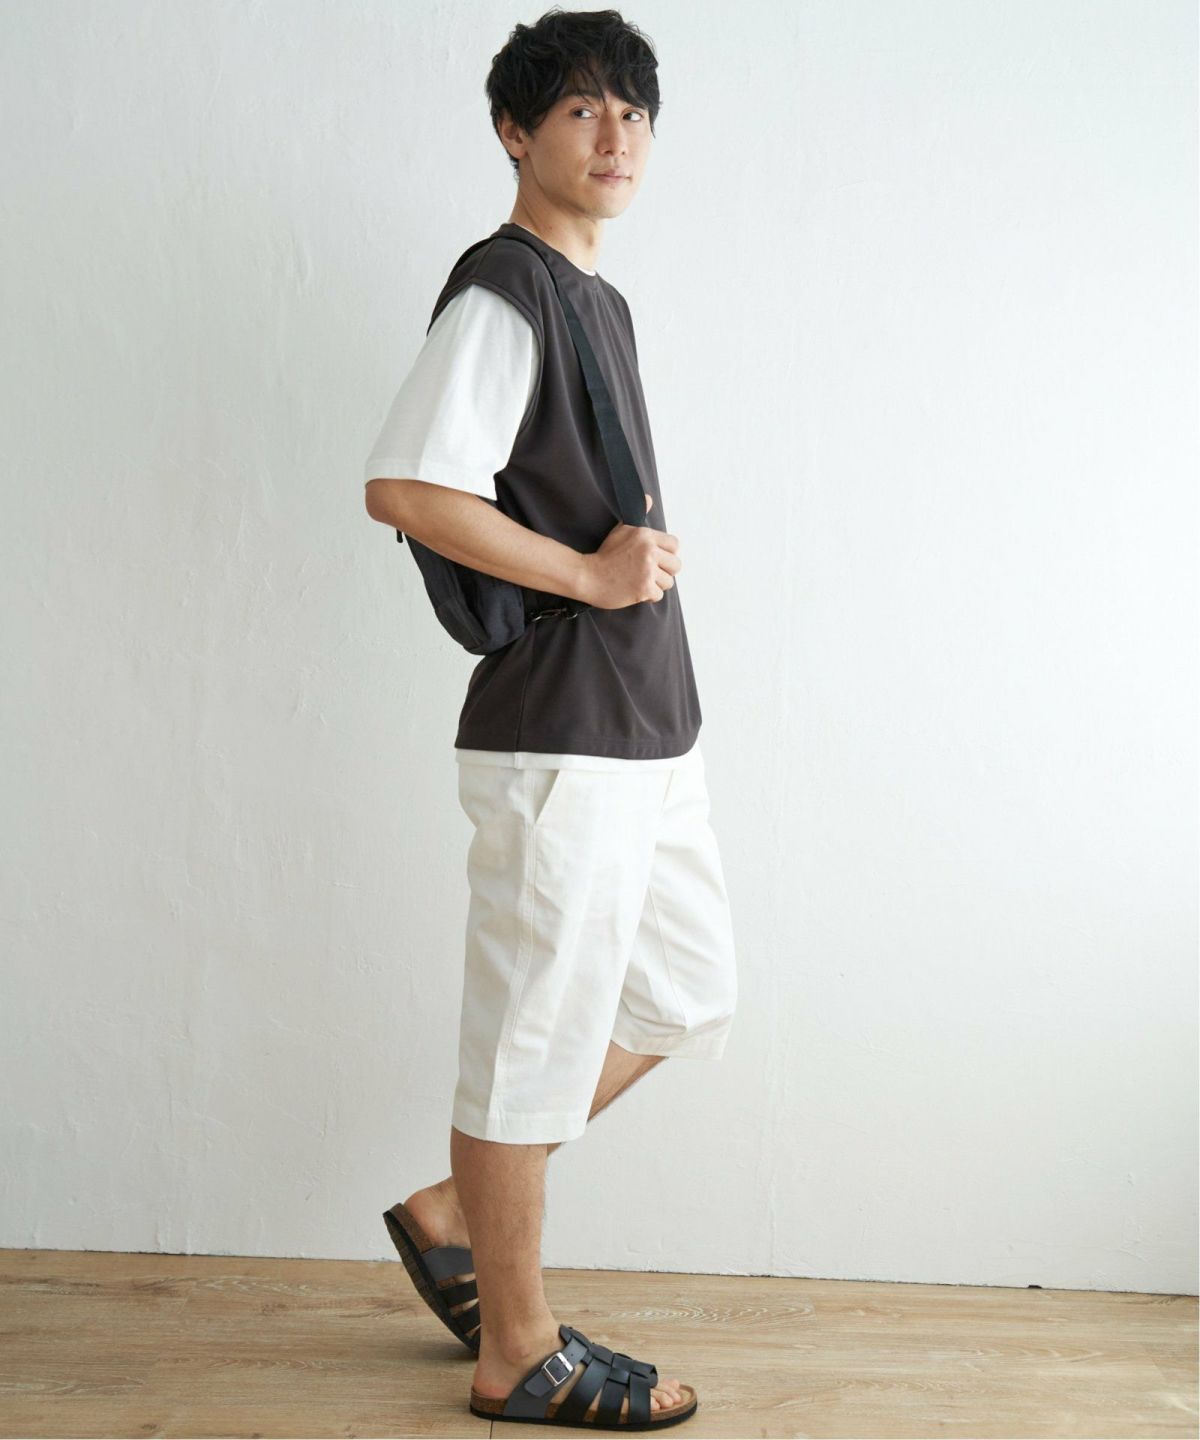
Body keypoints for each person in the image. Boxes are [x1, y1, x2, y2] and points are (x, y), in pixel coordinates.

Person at [363, 8, 737, 1429]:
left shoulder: (599, 302)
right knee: (532, 1039)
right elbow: (408, 487)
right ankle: (515, 1348)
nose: (617, 133)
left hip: (644, 722)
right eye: (582, 109)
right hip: (558, 729)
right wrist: (585, 575)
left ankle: (460, 1209)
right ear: (516, 134)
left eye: (633, 110)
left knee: (687, 990)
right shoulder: (506, 290)